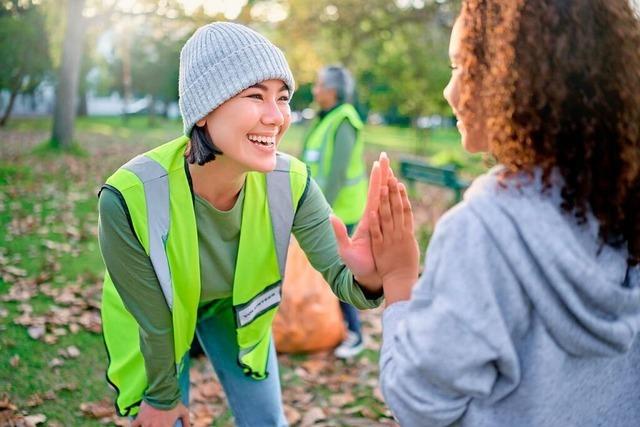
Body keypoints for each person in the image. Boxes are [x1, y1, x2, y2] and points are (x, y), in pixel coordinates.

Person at [98, 22, 387, 427]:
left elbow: (347, 282)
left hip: (234, 310)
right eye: (255, 96)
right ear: (203, 112)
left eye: (283, 98)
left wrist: (370, 278)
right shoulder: (128, 198)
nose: (276, 117)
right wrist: (162, 398)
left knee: (268, 421)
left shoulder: (292, 182)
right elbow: (154, 321)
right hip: (155, 317)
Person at [368, 1, 640, 426]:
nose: (449, 91)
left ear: (516, 78)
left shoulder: (486, 230)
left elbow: (420, 402)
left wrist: (399, 281)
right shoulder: (624, 203)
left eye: (462, 67)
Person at [301, 66, 367, 358]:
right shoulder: (325, 119)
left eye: (318, 85)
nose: (315, 91)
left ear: (332, 90)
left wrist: (318, 211)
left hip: (341, 211)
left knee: (342, 272)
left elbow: (338, 173)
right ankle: (334, 326)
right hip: (328, 209)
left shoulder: (344, 120)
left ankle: (355, 335)